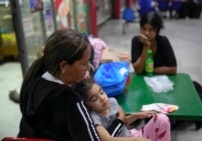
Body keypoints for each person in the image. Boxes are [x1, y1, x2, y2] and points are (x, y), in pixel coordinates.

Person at [17, 29, 151, 141]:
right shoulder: (70, 100)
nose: (88, 69)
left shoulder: (36, 78)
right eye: (84, 64)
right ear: (64, 66)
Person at [74, 79, 171, 141]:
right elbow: (108, 139)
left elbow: (123, 121)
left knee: (162, 119)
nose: (102, 98)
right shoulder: (94, 119)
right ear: (87, 106)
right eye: (94, 99)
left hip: (132, 135)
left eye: (102, 92)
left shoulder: (112, 102)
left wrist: (137, 115)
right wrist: (136, 140)